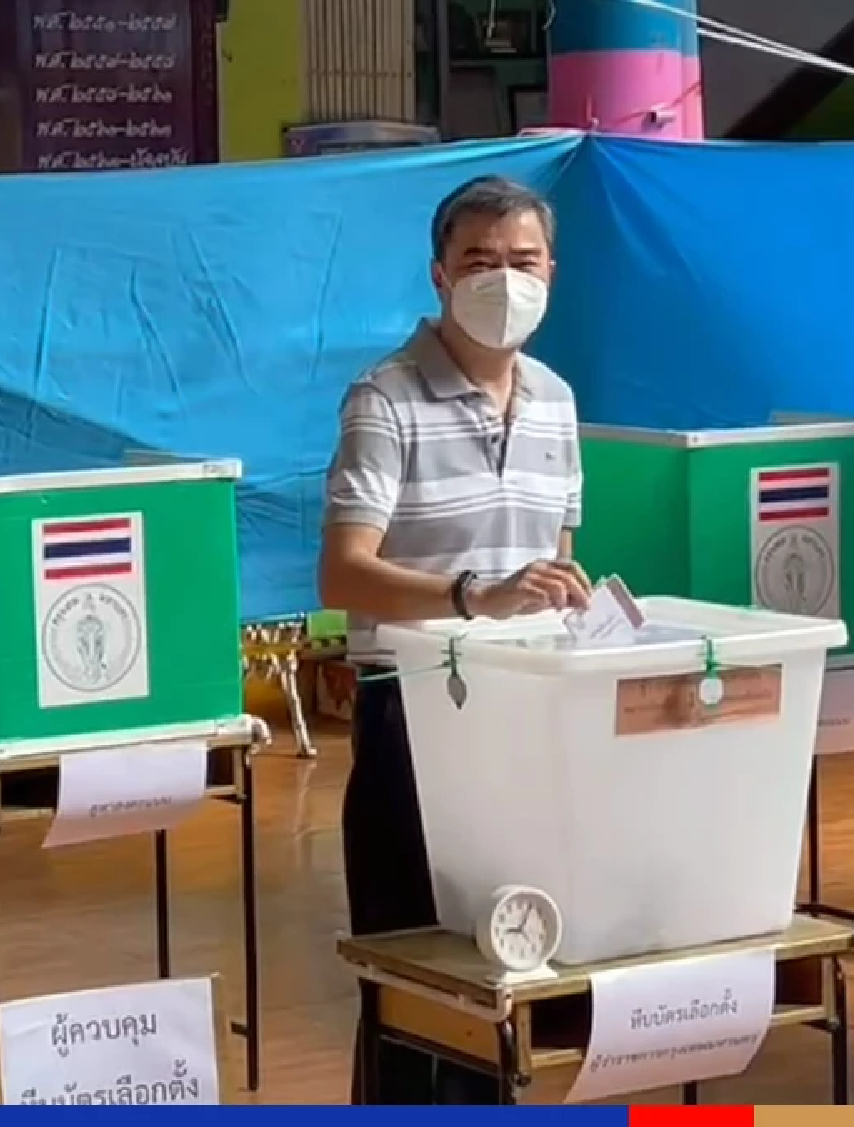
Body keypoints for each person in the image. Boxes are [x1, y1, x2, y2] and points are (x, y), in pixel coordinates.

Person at [318, 175, 593, 1104]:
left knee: (506, 962)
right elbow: (343, 575)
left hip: (522, 719)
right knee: (412, 974)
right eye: (479, 260)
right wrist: (475, 597)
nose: (503, 280)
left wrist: (568, 605)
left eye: (523, 260)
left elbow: (554, 561)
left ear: (551, 272)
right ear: (439, 275)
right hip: (412, 715)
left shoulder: (557, 400)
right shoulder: (384, 399)